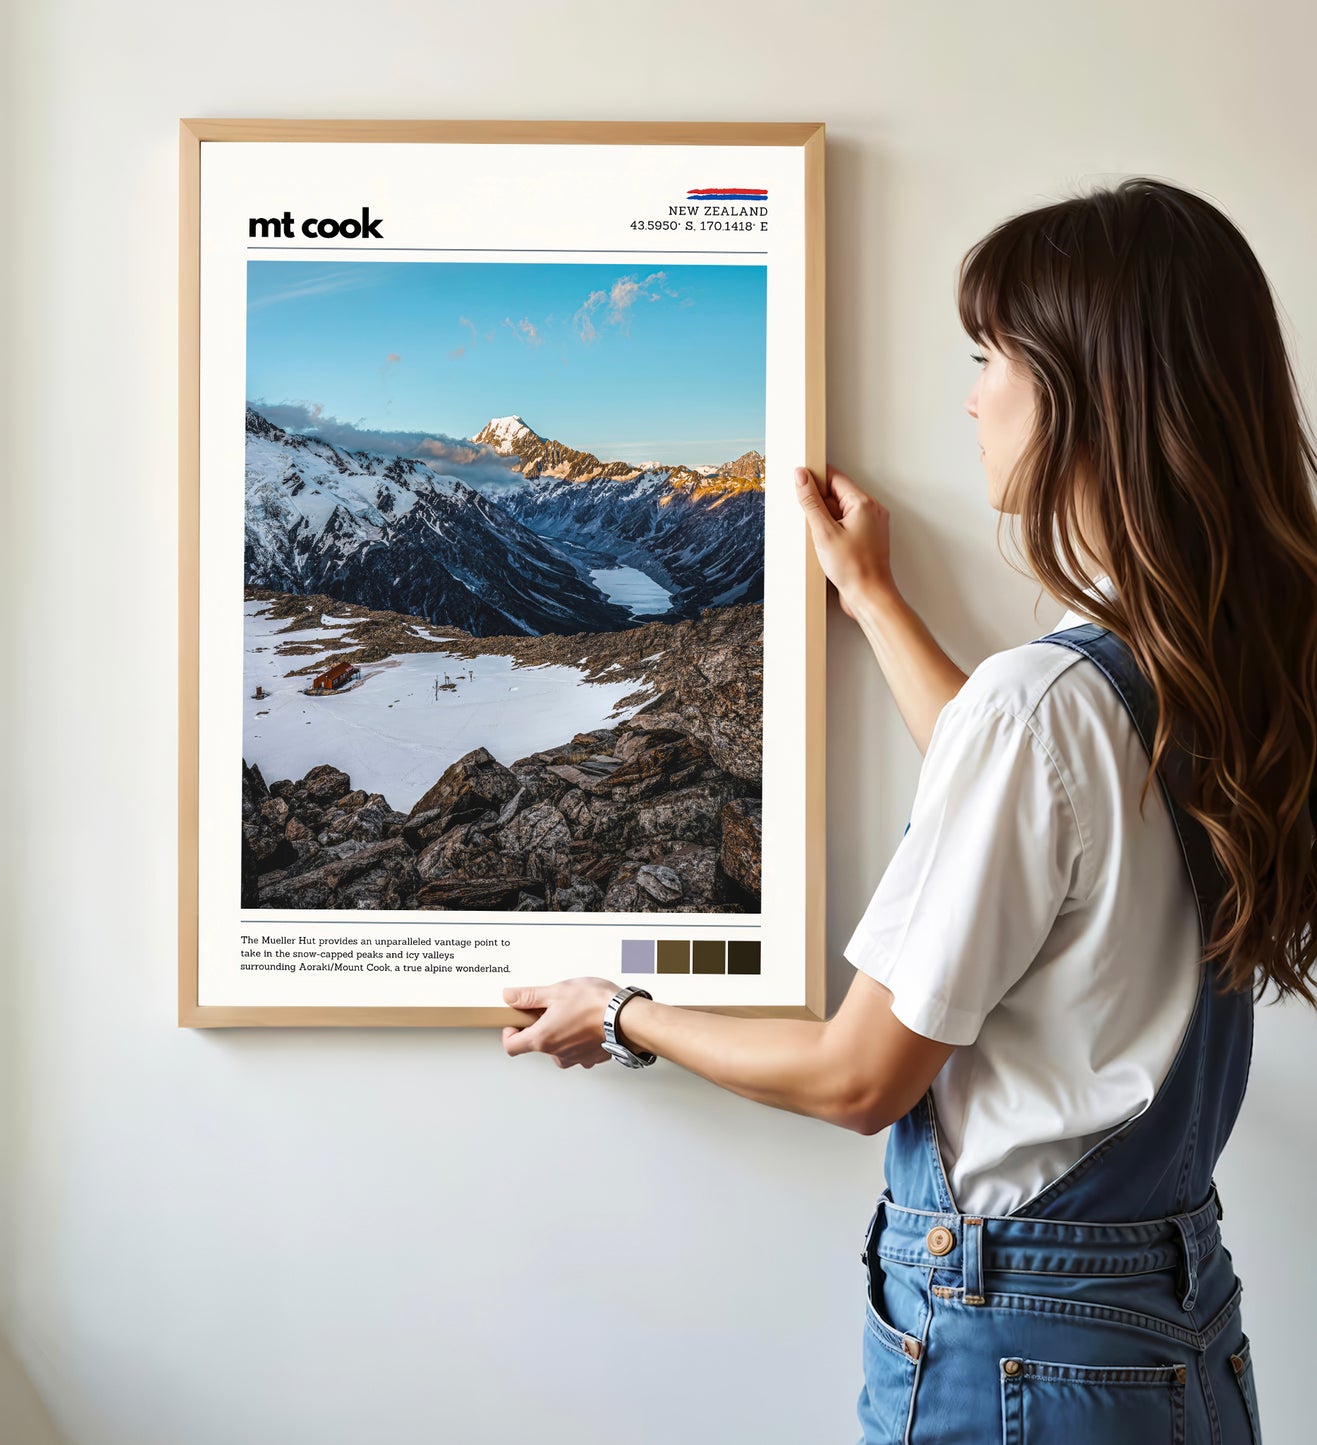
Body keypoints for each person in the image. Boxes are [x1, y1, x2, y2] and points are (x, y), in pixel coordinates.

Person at [499, 177, 1317, 1443]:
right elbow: (1040, 823)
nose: (971, 392)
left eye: (991, 355)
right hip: (1169, 1324)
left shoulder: (1045, 703)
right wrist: (873, 597)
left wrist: (620, 1011)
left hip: (1017, 1346)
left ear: (1086, 392)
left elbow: (856, 1075)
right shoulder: (1212, 664)